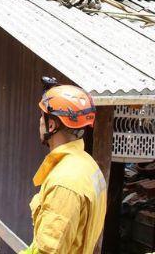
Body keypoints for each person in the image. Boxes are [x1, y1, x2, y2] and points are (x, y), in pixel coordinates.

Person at [21, 80, 107, 254]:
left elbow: (48, 251)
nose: (40, 121)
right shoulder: (89, 166)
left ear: (51, 125)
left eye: (42, 116)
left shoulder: (64, 184)